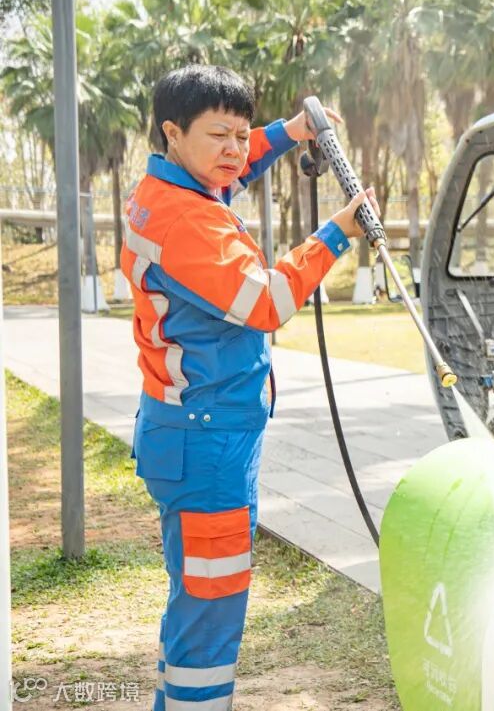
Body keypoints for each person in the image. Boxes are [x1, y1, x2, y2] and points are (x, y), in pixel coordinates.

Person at [120, 64, 377, 711]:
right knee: (210, 605)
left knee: (197, 596)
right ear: (173, 132)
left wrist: (287, 133)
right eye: (220, 136)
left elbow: (236, 164)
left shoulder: (169, 187)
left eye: (242, 134)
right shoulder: (188, 221)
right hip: (207, 446)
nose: (236, 150)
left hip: (192, 432)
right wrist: (337, 234)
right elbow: (266, 301)